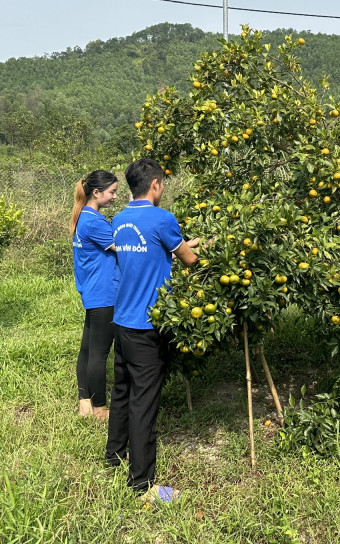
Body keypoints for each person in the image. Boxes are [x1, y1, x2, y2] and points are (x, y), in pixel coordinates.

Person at [105, 158, 200, 501]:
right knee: (144, 403)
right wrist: (195, 249)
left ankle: (114, 456)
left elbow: (148, 256)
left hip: (121, 320)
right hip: (148, 326)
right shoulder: (163, 218)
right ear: (156, 184)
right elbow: (189, 260)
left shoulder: (119, 219)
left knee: (122, 391)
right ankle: (141, 485)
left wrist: (180, 246)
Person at [71, 169, 120, 420]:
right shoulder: (94, 221)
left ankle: (85, 402)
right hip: (104, 294)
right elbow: (126, 249)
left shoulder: (84, 217)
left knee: (89, 350)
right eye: (112, 192)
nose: (114, 197)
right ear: (96, 192)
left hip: (93, 292)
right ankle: (100, 409)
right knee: (99, 354)